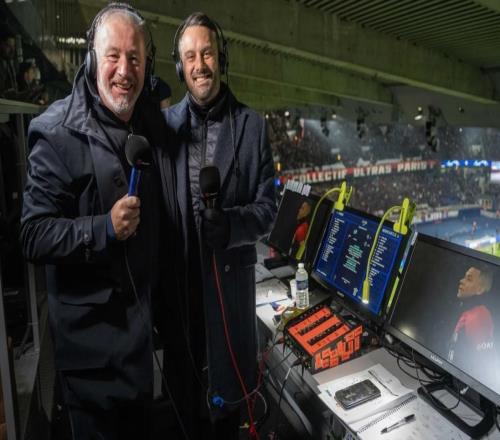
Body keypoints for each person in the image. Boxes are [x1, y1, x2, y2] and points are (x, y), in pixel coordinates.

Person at [20, 3, 178, 439]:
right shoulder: (54, 132)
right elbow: (33, 235)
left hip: (139, 349)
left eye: (135, 58)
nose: (124, 70)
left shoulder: (144, 116)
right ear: (91, 60)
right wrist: (103, 228)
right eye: (113, 56)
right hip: (90, 363)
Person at [159, 11, 276, 440]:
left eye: (206, 53)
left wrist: (231, 226)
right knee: (184, 416)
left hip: (230, 302)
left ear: (221, 58)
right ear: (180, 67)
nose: (199, 65)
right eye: (190, 57)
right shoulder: (164, 128)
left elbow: (268, 209)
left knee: (226, 420)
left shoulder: (252, 127)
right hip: (183, 303)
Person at [448, 264, 497, 387]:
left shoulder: (479, 314)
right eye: (464, 277)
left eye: (468, 279)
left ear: (480, 289)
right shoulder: (466, 311)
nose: (461, 281)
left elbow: (483, 362)